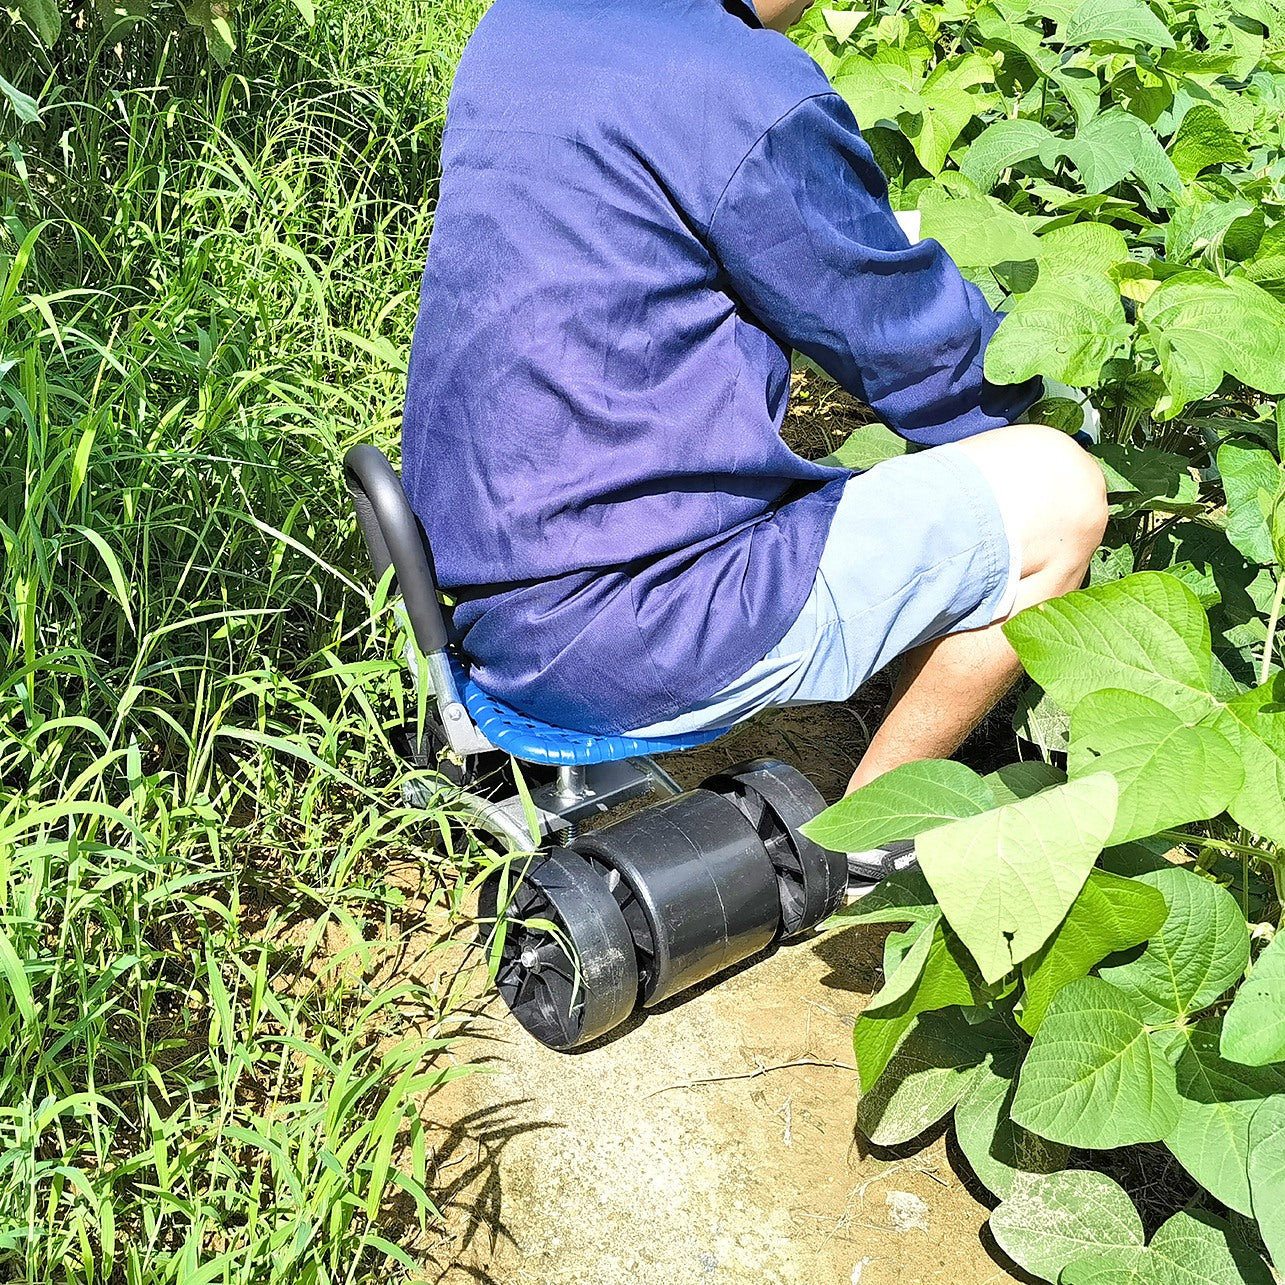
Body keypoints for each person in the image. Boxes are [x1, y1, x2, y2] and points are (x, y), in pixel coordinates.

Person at [400, 0, 1108, 883]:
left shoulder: (527, 19)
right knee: (1058, 492)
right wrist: (1063, 394)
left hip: (468, 598)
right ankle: (864, 841)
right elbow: (913, 351)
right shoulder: (741, 87)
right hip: (625, 629)